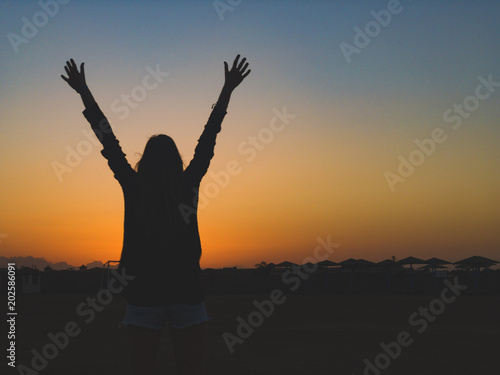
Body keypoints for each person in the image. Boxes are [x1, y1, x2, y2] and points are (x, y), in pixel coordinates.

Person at [61, 55, 250, 375]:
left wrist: (83, 91)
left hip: (143, 295)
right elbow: (208, 140)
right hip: (186, 294)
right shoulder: (187, 184)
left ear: (145, 161)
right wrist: (227, 90)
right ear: (175, 161)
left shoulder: (135, 187)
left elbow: (108, 140)